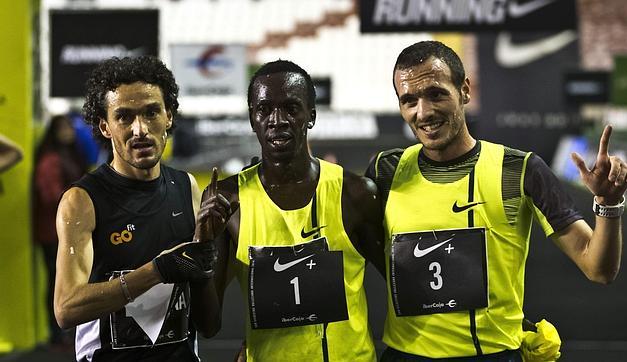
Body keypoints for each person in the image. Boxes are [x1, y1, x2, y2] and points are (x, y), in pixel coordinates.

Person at [365, 40, 627, 361]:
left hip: (492, 356)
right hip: (404, 355)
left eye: (436, 94)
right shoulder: (387, 170)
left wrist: (608, 203)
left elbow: (598, 269)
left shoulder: (520, 169)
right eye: (409, 100)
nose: (422, 112)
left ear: (464, 91)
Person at [205, 60, 385, 361]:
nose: (277, 119)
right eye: (264, 109)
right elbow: (207, 325)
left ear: (311, 115)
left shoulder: (355, 194)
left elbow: (401, 284)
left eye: (291, 107)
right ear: (252, 119)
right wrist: (200, 247)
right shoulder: (227, 199)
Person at [54, 56, 230, 361]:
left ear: (169, 117)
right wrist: (155, 272)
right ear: (105, 127)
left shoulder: (185, 186)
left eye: (151, 112)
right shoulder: (82, 200)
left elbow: (209, 325)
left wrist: (204, 256)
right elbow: (67, 308)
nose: (140, 129)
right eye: (124, 116)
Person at [33, 114, 88, 349]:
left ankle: (67, 330)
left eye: (69, 126)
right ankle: (57, 332)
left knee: (73, 280)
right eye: (63, 127)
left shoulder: (71, 155)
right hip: (53, 233)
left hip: (70, 230)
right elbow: (52, 197)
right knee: (58, 281)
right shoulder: (51, 160)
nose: (69, 131)